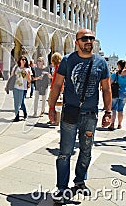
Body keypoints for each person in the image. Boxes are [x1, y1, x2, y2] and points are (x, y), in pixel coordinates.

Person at [48, 29, 112, 203]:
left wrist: (108, 111)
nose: (89, 41)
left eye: (91, 38)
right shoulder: (68, 61)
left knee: (86, 151)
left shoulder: (101, 63)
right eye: (85, 38)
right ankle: (61, 187)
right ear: (77, 42)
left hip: (90, 115)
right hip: (70, 112)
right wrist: (51, 107)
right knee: (65, 152)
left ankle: (79, 181)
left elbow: (106, 88)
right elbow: (57, 86)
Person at [12, 55, 32, 122]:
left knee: (21, 102)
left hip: (23, 88)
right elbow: (12, 76)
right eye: (22, 59)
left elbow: (29, 80)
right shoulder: (16, 68)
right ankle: (17, 116)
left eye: (25, 60)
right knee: (16, 102)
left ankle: (25, 113)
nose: (24, 61)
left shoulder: (28, 69)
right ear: (20, 60)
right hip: (15, 87)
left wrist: (26, 74)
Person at [47, 52, 63, 125]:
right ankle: (52, 118)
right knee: (50, 103)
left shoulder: (58, 67)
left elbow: (60, 79)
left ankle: (57, 120)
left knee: (55, 104)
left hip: (56, 88)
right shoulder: (57, 67)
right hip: (54, 87)